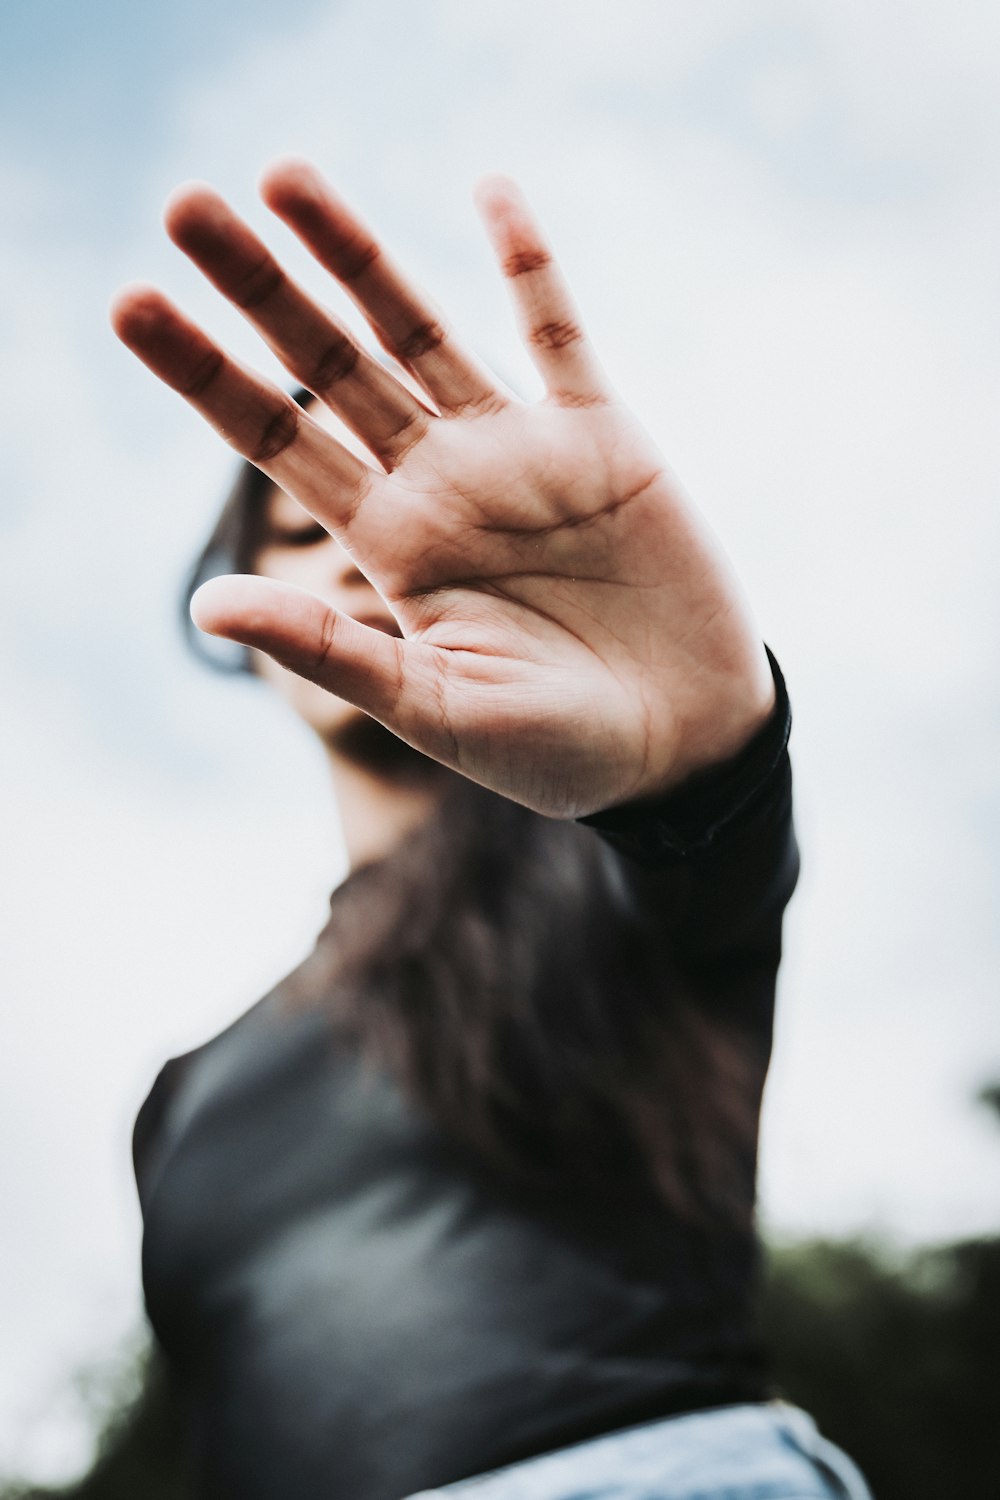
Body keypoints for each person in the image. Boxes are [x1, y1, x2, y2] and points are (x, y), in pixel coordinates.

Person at [112, 161, 872, 1500]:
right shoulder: (183, 1096)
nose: (357, 550)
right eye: (298, 527)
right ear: (243, 628)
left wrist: (698, 755)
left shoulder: (599, 872)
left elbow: (717, 861)